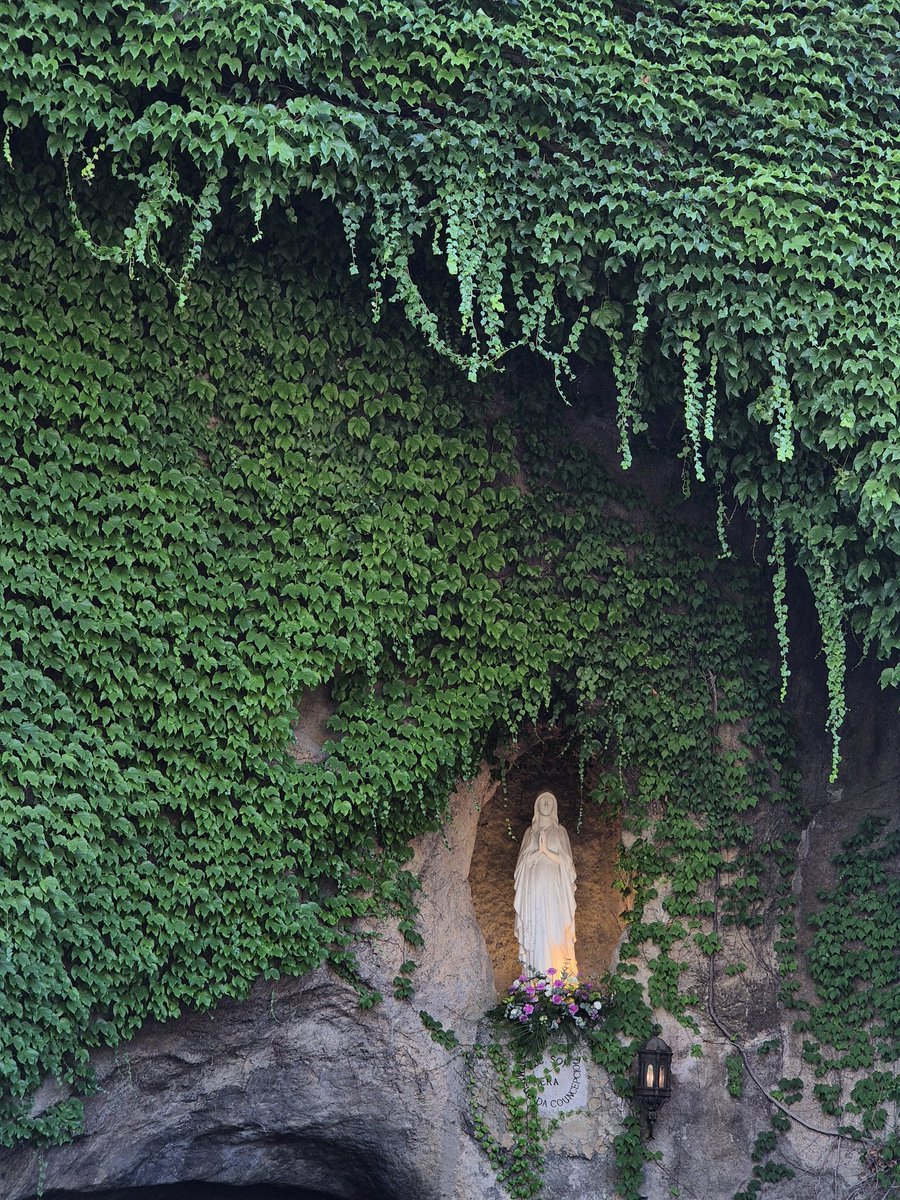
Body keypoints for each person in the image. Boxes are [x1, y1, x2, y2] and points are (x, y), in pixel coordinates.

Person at [513, 791, 577, 977]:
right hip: (533, 892)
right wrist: (537, 852)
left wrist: (546, 852)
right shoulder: (529, 833)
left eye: (550, 801)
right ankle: (534, 978)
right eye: (543, 801)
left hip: (555, 891)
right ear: (537, 806)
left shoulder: (560, 832)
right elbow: (521, 866)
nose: (547, 804)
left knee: (555, 929)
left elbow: (568, 865)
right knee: (537, 930)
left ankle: (558, 979)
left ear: (555, 806)